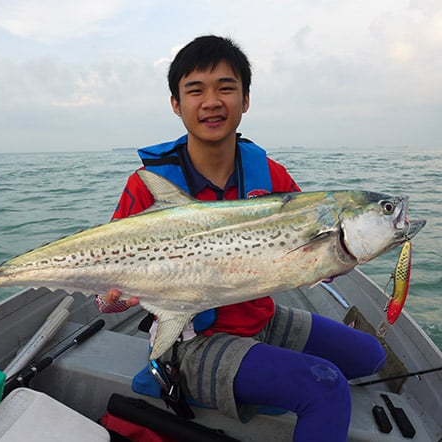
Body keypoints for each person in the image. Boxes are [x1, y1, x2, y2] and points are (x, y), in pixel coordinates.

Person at [97, 35, 386, 442]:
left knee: (370, 355)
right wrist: (109, 299)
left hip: (259, 317)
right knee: (326, 386)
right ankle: (247, 381)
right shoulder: (149, 185)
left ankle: (261, 378)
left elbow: (315, 261)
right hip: (193, 341)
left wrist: (346, 254)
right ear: (176, 104)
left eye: (226, 88)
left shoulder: (271, 177)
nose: (212, 101)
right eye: (195, 90)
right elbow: (108, 289)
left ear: (245, 100)